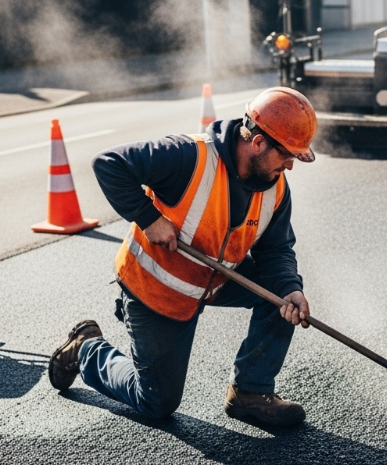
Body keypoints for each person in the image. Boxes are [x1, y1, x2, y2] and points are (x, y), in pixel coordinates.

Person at [48, 87, 317, 428]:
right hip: (155, 290)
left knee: (282, 296)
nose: (291, 165)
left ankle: (250, 392)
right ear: (259, 142)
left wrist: (290, 289)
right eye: (287, 154)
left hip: (213, 281)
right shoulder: (188, 156)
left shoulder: (275, 186)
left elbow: (275, 251)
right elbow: (108, 164)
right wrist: (150, 219)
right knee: (157, 403)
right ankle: (87, 349)